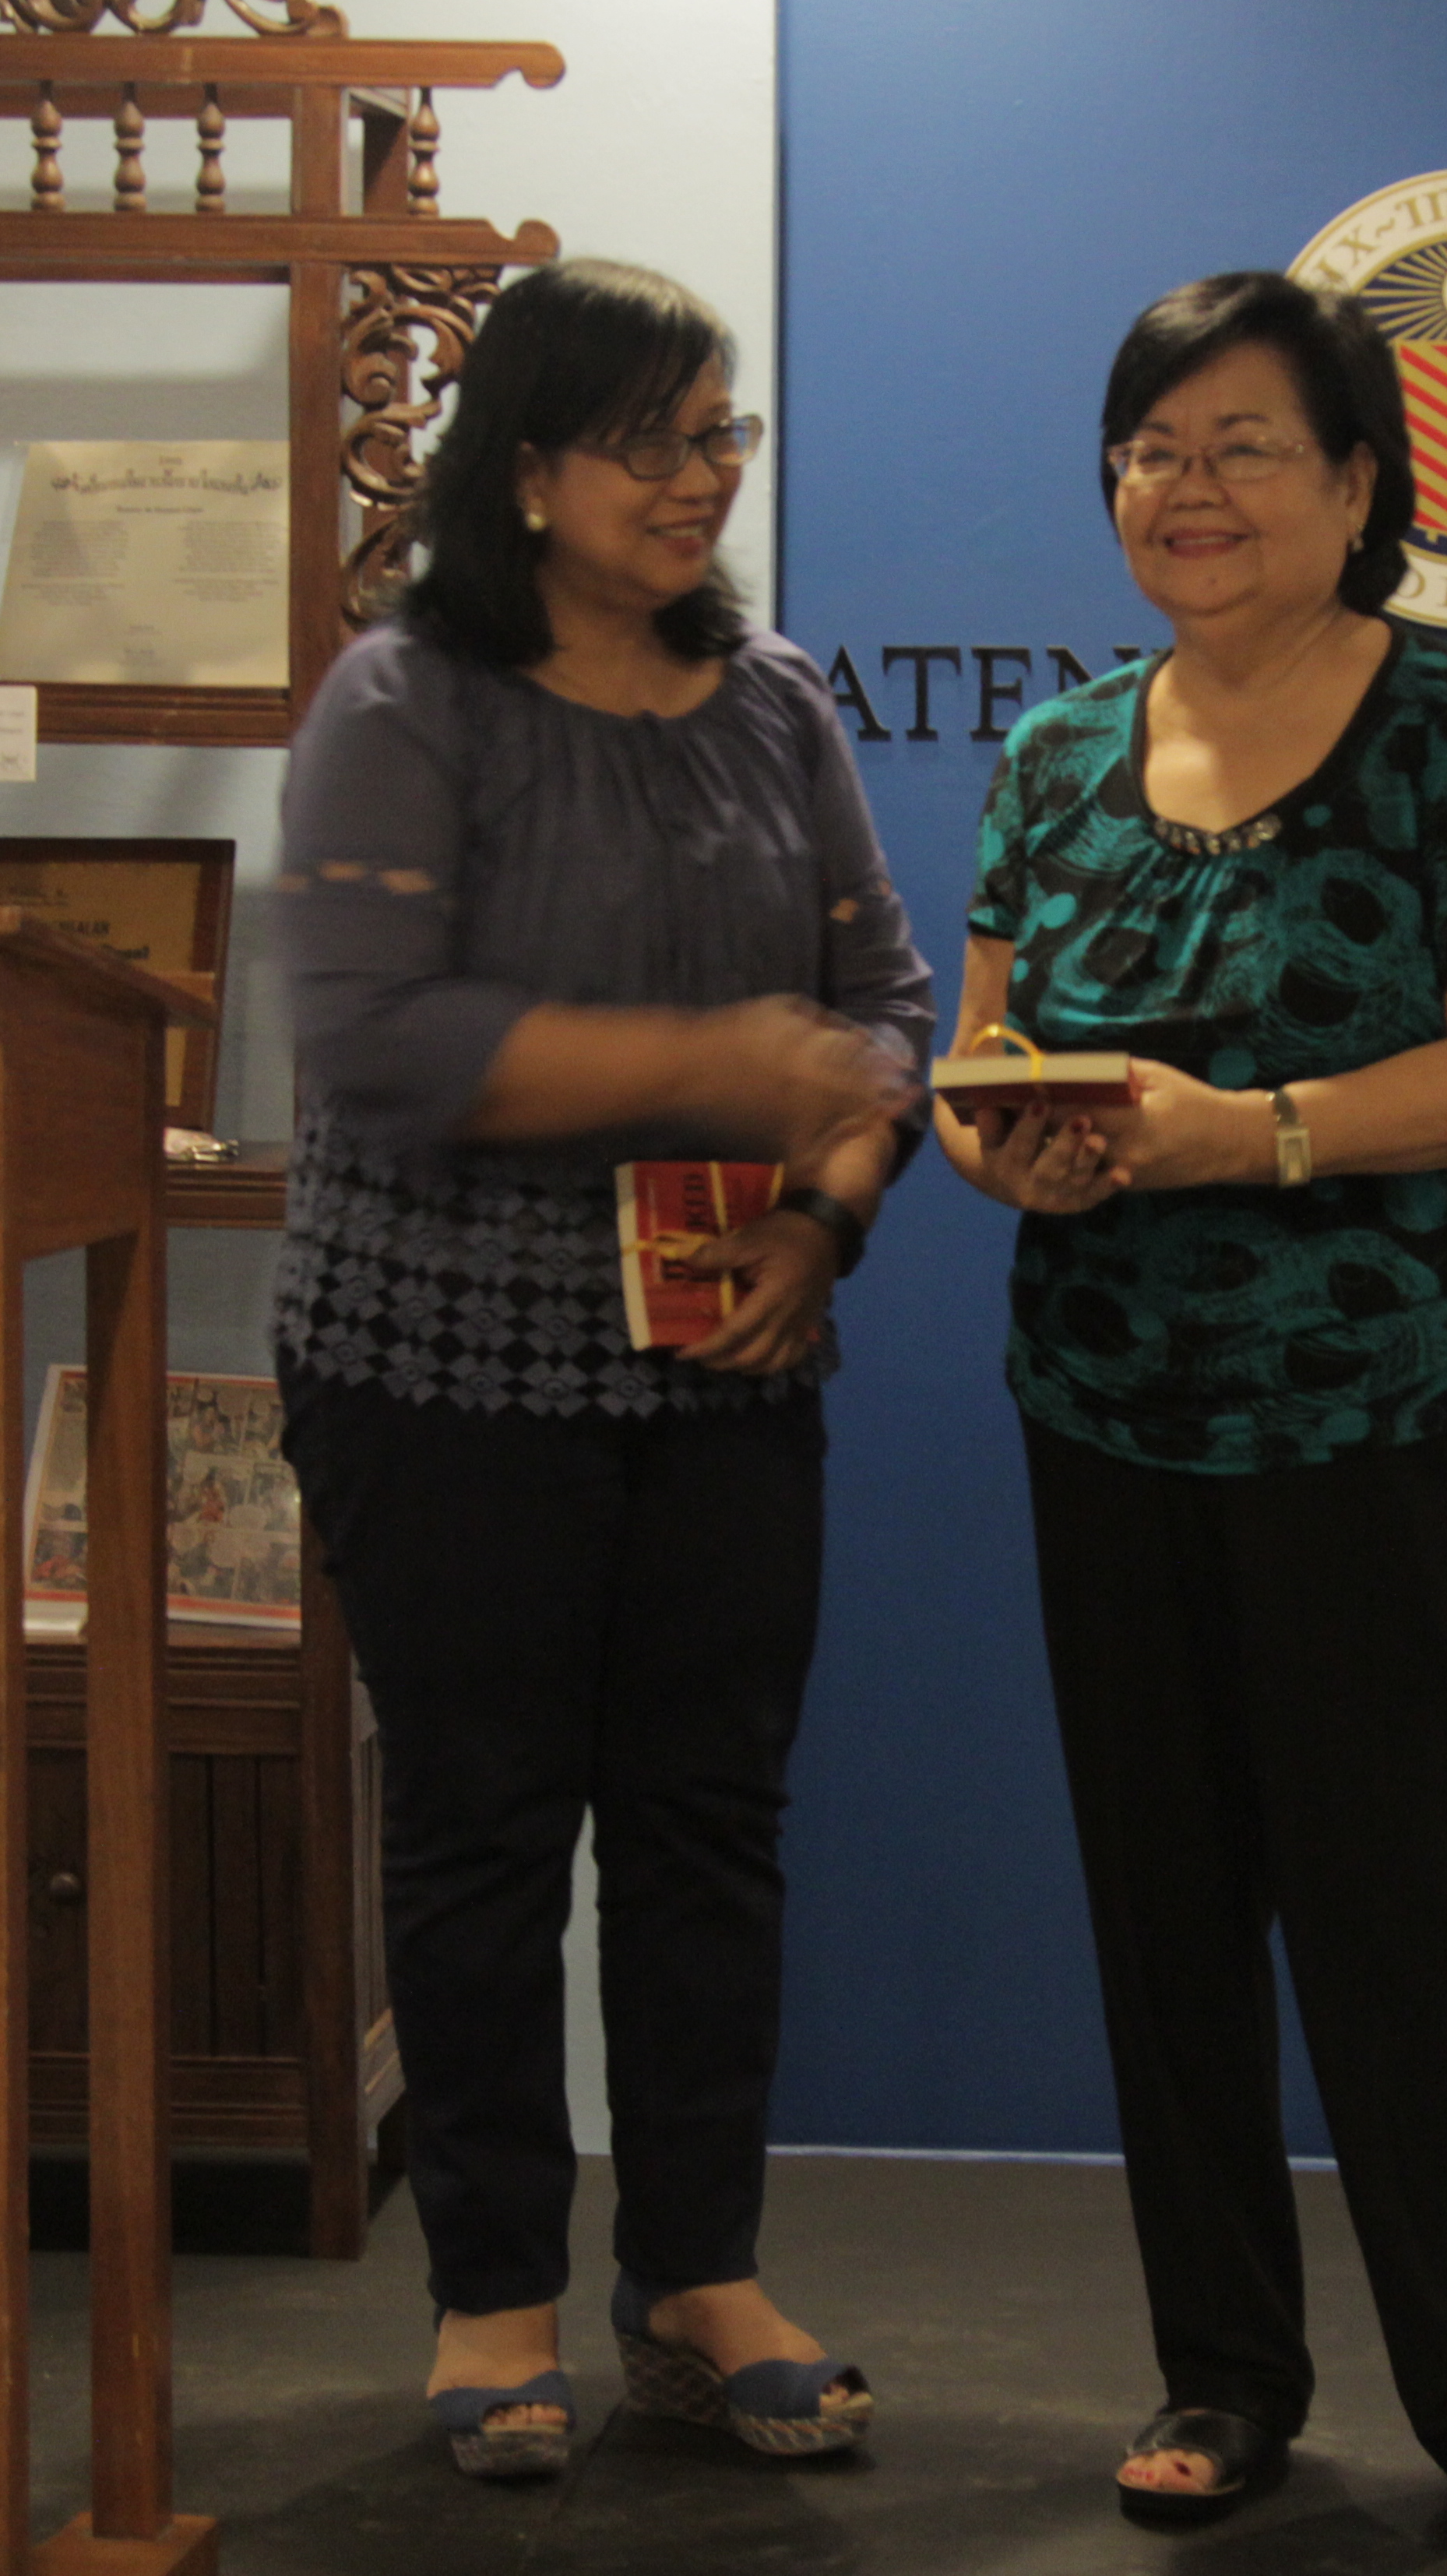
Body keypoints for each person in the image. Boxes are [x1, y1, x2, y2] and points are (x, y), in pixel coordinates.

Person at [936, 270, 1447, 2561]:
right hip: (1107, 1407)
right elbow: (982, 1065)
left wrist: (1250, 1134)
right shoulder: (1051, 756)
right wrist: (1002, 1139)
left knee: (1400, 1908)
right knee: (1165, 1910)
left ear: (1353, 485)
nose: (1187, 487)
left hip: (1381, 1408)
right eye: (1151, 447)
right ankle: (1221, 2373)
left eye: (1242, 445)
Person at [273, 256, 931, 2480]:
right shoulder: (404, 698)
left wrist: (826, 1205)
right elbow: (369, 1044)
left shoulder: (779, 700)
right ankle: (491, 2295)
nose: (698, 477)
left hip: (730, 1353)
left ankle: (695, 2274)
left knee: (708, 1834)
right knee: (480, 1835)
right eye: (652, 439)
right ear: (529, 467)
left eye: (721, 433)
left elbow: (893, 1009)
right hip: (440, 1363)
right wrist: (716, 1064)